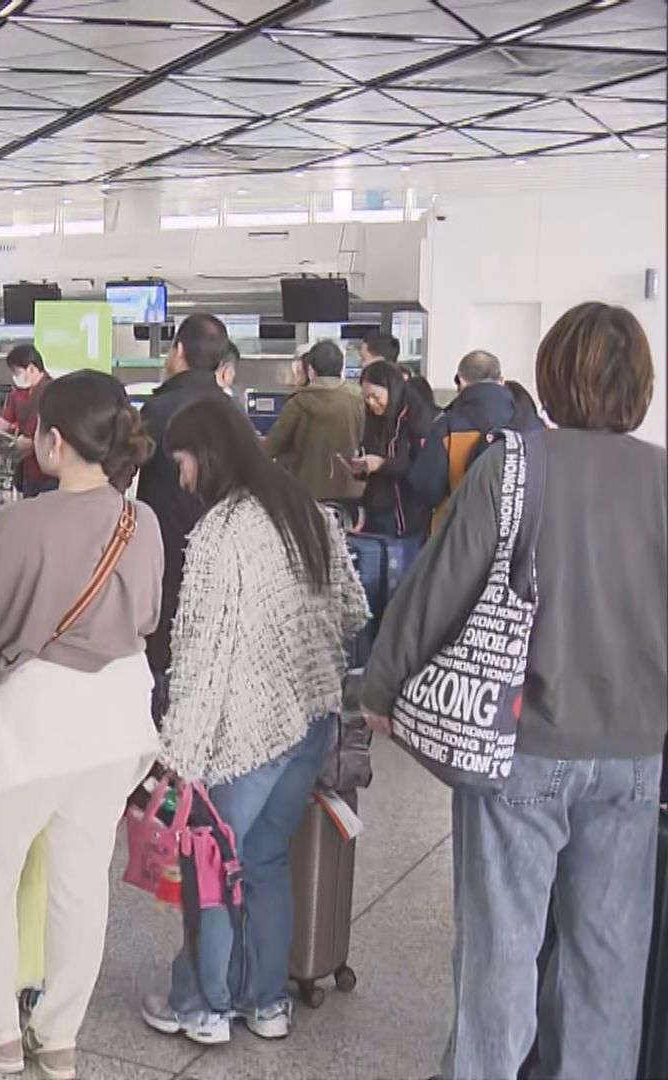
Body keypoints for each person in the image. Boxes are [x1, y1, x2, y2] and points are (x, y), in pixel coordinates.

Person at [363, 302, 665, 1080]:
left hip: (521, 745)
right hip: (634, 754)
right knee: (608, 958)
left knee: (502, 948)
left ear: (554, 376)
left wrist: (383, 685)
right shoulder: (663, 478)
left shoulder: (517, 465)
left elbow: (439, 587)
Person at [0, 371, 163, 1080]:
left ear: (52, 441)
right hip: (118, 717)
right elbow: (147, 616)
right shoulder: (139, 521)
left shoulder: (23, 521)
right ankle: (57, 1040)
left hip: (37, 721)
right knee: (81, 884)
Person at [142, 396, 368, 1048]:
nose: (181, 475)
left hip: (244, 730)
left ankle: (203, 1006)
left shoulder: (221, 533)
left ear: (206, 454)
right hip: (311, 720)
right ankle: (264, 1001)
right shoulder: (308, 512)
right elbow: (352, 612)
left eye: (182, 460)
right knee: (265, 860)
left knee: (211, 865)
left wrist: (177, 755)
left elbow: (201, 654)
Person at [133, 313, 231, 720]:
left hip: (163, 552)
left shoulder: (155, 410)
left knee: (162, 649)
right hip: (219, 556)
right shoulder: (232, 413)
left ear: (178, 352)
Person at [408, 348, 541, 531]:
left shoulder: (448, 426)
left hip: (460, 536)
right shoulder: (533, 425)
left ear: (460, 381)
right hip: (518, 538)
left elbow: (425, 487)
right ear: (502, 381)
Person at [262, 340, 365, 515]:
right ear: (341, 369)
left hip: (307, 492)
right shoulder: (358, 400)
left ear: (311, 370)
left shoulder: (299, 403)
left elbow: (272, 446)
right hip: (350, 491)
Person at [349, 360, 435, 539]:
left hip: (406, 513)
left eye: (375, 396)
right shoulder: (374, 418)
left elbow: (422, 467)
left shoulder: (418, 416)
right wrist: (362, 467)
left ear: (391, 389)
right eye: (366, 397)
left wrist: (382, 464)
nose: (371, 403)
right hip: (376, 506)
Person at [0, 344, 54, 496]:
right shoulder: (18, 395)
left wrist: (28, 444)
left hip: (50, 473)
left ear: (31, 368)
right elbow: (4, 421)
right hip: (28, 472)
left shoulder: (53, 391)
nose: (15, 377)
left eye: (17, 372)